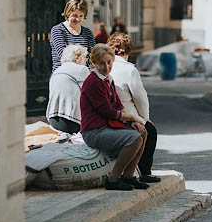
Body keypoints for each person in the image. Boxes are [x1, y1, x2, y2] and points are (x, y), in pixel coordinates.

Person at [80, 43, 150, 191]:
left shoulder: (108, 79)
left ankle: (129, 176)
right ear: (94, 63)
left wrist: (133, 123)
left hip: (107, 126)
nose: (106, 67)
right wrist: (133, 118)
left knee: (143, 132)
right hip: (94, 131)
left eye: (109, 62)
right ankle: (113, 179)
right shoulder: (94, 82)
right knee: (134, 139)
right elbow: (108, 112)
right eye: (101, 63)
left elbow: (117, 104)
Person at [108, 33, 160, 183]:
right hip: (127, 115)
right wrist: (145, 119)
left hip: (109, 114)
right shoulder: (129, 70)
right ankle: (145, 171)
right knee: (150, 131)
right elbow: (140, 98)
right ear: (128, 51)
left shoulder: (103, 66)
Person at [46, 44, 89, 135]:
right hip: (71, 122)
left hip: (53, 120)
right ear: (78, 58)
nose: (86, 61)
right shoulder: (82, 70)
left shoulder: (57, 70)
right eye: (85, 57)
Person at [51, 0, 95, 72]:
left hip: (83, 75)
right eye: (75, 15)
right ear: (68, 13)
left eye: (81, 16)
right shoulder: (58, 30)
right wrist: (83, 56)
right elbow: (64, 55)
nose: (77, 19)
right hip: (63, 74)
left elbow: (92, 56)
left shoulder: (88, 33)